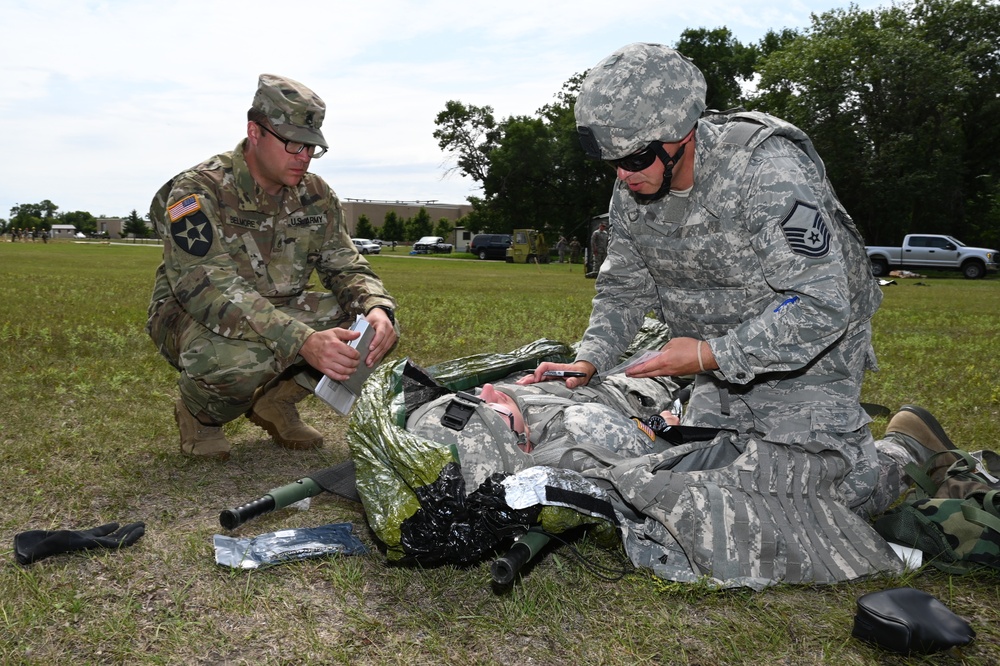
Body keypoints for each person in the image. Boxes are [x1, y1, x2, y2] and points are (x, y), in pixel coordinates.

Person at [517, 43, 941, 586]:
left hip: (807, 358)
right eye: (612, 162)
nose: (623, 176)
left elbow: (821, 302)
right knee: (716, 482)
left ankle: (903, 449)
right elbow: (622, 289)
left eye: (634, 159)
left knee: (823, 501)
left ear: (681, 134)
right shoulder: (634, 189)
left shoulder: (766, 171)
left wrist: (708, 353)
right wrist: (590, 360)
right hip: (717, 366)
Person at [147, 74, 397, 461]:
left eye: (312, 147)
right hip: (192, 314)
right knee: (245, 358)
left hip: (278, 308)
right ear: (255, 131)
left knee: (370, 329)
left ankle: (275, 402)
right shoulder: (199, 191)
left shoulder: (315, 194)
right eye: (294, 143)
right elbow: (210, 286)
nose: (304, 156)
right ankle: (200, 416)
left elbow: (344, 262)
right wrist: (301, 340)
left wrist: (376, 307)